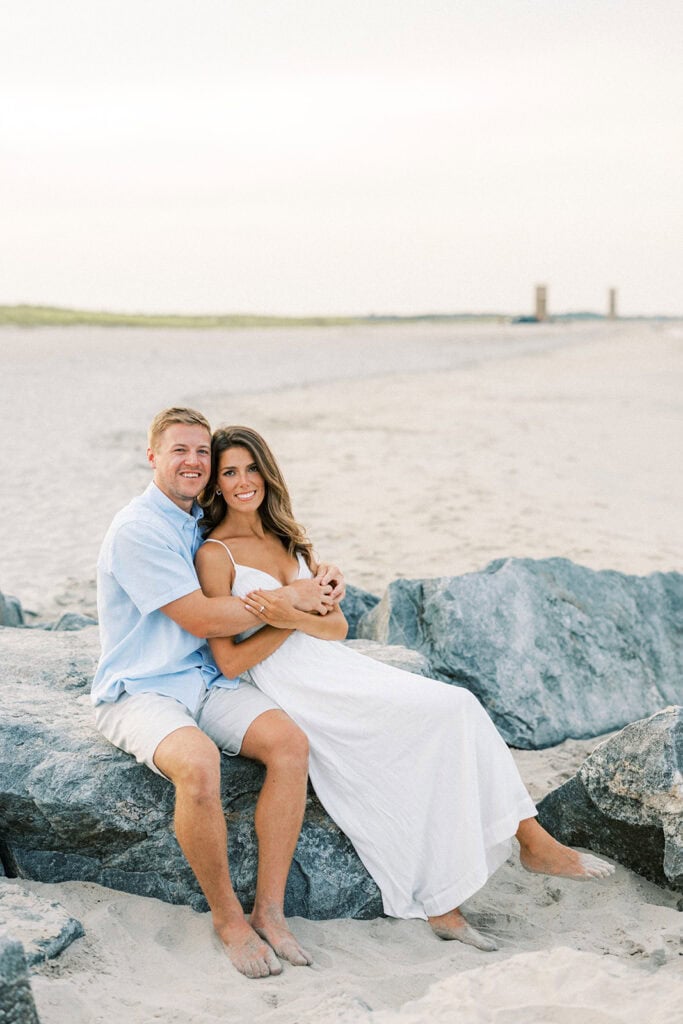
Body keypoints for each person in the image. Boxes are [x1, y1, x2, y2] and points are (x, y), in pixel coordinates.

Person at [195, 425, 615, 951]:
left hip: (334, 665)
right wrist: (286, 613)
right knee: (428, 726)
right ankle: (453, 895)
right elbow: (230, 661)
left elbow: (337, 628)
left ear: (267, 471)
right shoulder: (217, 554)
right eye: (229, 472)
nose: (242, 481)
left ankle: (528, 845)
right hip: (294, 686)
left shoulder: (289, 537)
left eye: (251, 468)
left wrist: (292, 610)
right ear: (215, 482)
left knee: (457, 705)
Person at [92, 407, 346, 979]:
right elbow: (204, 620)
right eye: (179, 450)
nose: (194, 462)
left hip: (206, 681)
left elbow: (255, 556)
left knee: (289, 744)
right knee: (199, 765)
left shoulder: (195, 518)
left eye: (202, 452)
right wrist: (292, 601)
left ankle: (272, 912)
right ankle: (230, 919)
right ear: (152, 455)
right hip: (141, 690)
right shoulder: (138, 529)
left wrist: (315, 581)